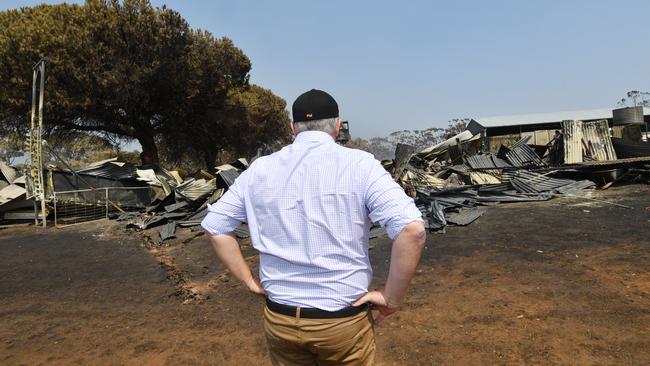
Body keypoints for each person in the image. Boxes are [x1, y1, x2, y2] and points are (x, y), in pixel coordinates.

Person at [201, 89, 425, 365]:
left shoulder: (260, 170)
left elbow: (215, 225)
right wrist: (390, 297)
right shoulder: (360, 165)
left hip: (280, 319)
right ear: (338, 125)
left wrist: (249, 281)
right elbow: (412, 230)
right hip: (341, 320)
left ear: (293, 127)